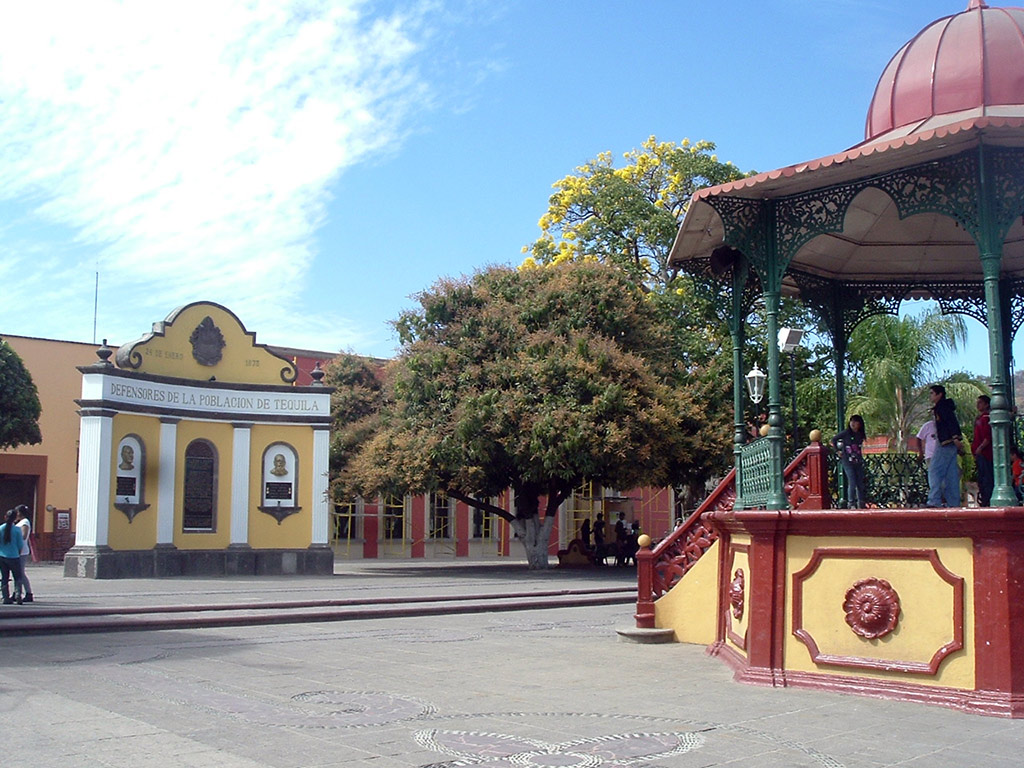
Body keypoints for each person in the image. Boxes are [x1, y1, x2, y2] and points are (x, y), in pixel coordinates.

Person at [928, 384, 964, 508]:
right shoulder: (945, 407)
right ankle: (954, 502)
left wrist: (955, 437)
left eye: (932, 393)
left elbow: (950, 422)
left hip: (945, 442)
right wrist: (956, 438)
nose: (930, 396)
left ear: (939, 394)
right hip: (949, 442)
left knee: (934, 470)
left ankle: (934, 500)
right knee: (951, 474)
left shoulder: (941, 407)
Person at [832, 415, 867, 509]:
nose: (853, 424)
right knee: (852, 481)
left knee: (859, 482)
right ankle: (851, 503)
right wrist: (838, 451)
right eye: (851, 421)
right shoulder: (846, 433)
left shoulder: (860, 434)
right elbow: (834, 439)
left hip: (857, 460)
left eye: (855, 422)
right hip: (847, 460)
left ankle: (861, 502)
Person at [0, 508, 25, 605]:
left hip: (2, 556)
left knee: (4, 577)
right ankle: (18, 595)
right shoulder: (17, 530)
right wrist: (18, 553)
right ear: (15, 518)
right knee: (18, 577)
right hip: (14, 556)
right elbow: (20, 545)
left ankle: (5, 597)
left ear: (5, 517)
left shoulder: (1, 528)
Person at [972, 395, 993, 507]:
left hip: (985, 454)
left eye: (980, 402)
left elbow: (987, 437)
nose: (978, 405)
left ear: (986, 404)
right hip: (980, 453)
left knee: (986, 478)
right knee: (982, 478)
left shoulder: (986, 418)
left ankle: (987, 500)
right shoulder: (980, 418)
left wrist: (980, 448)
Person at [13, 505, 33, 603]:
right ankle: (17, 592)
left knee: (20, 573)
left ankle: (28, 593)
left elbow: (24, 536)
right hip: (17, 550)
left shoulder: (25, 522)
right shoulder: (20, 522)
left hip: (22, 551)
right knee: (17, 573)